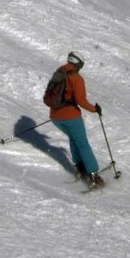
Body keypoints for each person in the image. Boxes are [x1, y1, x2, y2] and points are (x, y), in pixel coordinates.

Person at [49, 51, 105, 188]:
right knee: (82, 143)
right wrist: (94, 109)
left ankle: (80, 167)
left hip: (55, 116)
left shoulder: (59, 72)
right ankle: (93, 175)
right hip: (71, 116)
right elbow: (81, 100)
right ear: (78, 64)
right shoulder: (76, 78)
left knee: (74, 138)